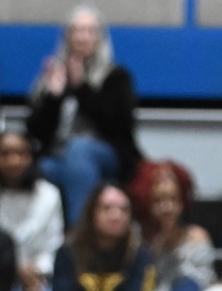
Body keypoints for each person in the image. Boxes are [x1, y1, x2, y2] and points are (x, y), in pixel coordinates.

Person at [27, 7, 140, 226]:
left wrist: (81, 88)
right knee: (41, 169)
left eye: (89, 31)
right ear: (67, 36)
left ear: (100, 38)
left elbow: (119, 126)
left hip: (106, 154)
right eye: (76, 31)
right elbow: (36, 132)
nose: (81, 37)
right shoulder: (53, 74)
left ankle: (79, 236)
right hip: (58, 155)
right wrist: (53, 98)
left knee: (78, 151)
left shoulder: (116, 76)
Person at [134, 160, 214, 291]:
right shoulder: (140, 239)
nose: (167, 207)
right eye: (159, 200)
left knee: (188, 285)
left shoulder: (196, 235)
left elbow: (205, 281)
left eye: (173, 199)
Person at [0, 130, 64, 291]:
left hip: (38, 274)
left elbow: (54, 244)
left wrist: (37, 271)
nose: (14, 161)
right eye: (5, 154)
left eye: (21, 154)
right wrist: (15, 268)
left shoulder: (49, 194)